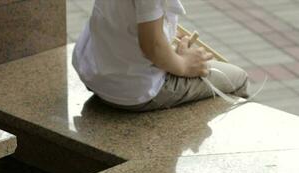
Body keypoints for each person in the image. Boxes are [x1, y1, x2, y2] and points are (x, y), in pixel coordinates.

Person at [72, 0, 249, 112]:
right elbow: (152, 46)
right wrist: (184, 64)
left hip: (94, 73)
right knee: (238, 77)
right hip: (132, 90)